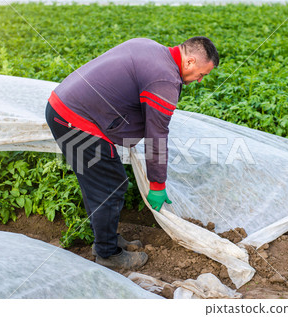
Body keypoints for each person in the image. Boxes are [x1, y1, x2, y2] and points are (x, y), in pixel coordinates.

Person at [45, 37, 219, 269]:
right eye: (202, 74)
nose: (200, 80)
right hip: (75, 120)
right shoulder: (165, 79)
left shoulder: (150, 47)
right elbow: (156, 136)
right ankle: (107, 254)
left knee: (98, 184)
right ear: (189, 61)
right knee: (110, 185)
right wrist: (157, 184)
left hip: (62, 108)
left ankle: (105, 239)